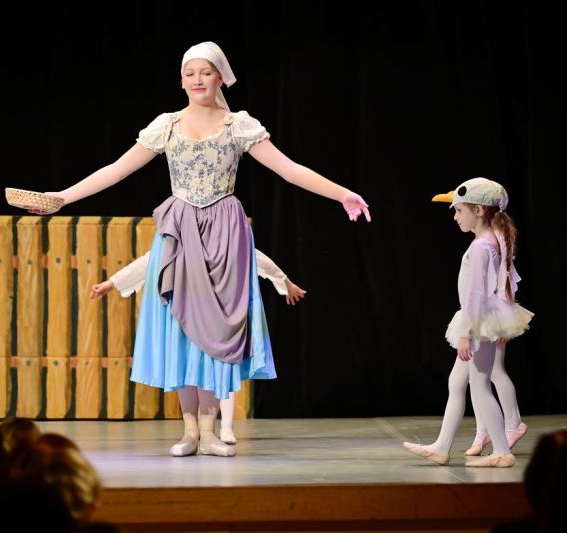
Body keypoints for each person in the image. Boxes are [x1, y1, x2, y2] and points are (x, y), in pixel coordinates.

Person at [20, 41, 370, 457]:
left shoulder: (238, 125)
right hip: (180, 231)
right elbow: (116, 170)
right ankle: (189, 431)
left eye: (206, 72)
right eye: (190, 73)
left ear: (220, 77)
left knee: (217, 327)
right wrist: (62, 196)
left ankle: (210, 430)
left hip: (224, 231)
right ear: (181, 80)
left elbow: (289, 169)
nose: (198, 80)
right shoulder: (167, 125)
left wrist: (342, 194)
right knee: (180, 327)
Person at [90, 247, 306, 445]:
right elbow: (149, 260)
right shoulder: (176, 238)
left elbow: (253, 255)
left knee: (219, 369)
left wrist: (284, 282)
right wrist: (112, 283)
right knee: (189, 371)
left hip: (215, 311)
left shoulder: (223, 236)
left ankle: (222, 427)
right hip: (185, 312)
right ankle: (193, 431)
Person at [404, 178, 533, 467]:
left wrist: (466, 332)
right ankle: (441, 446)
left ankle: (501, 452)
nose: (455, 217)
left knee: (480, 385)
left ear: (478, 210)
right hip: (482, 320)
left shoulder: (481, 247)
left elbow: (475, 294)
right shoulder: (493, 240)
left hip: (477, 322)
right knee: (457, 381)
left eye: (459, 210)